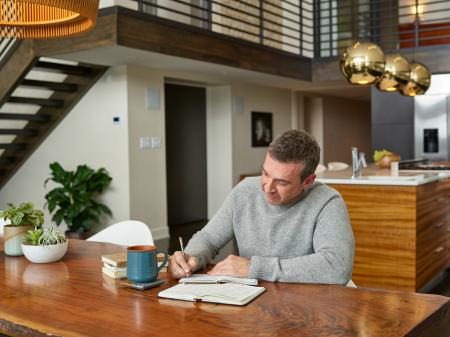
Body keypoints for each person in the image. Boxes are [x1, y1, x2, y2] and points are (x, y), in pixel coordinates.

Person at [169, 129, 355, 284]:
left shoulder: (328, 202)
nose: (267, 187)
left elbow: (336, 266)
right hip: (249, 301)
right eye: (265, 173)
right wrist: (191, 257)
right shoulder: (244, 191)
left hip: (305, 307)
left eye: (281, 182)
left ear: (308, 181)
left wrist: (255, 267)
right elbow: (209, 239)